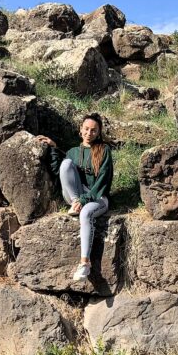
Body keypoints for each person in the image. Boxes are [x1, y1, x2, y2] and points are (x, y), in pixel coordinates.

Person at [35, 113, 114, 282]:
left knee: (85, 213)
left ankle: (84, 264)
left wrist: (84, 200)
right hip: (75, 195)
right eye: (86, 129)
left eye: (94, 130)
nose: (89, 133)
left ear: (99, 132)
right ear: (80, 129)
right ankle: (76, 203)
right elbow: (60, 172)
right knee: (66, 163)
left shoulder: (104, 150)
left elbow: (103, 180)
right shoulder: (72, 152)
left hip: (97, 197)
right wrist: (54, 147)